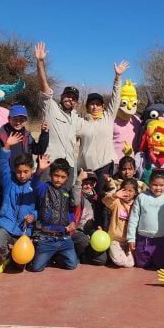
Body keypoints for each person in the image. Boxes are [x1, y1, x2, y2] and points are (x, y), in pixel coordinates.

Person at [75, 61, 130, 227]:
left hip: (104, 165)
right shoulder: (81, 122)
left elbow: (116, 97)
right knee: (83, 199)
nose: (94, 106)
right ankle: (83, 228)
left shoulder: (108, 117)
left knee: (103, 199)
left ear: (102, 106)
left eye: (98, 104)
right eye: (91, 104)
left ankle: (103, 228)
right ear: (87, 107)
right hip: (86, 168)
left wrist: (118, 77)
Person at [0, 133, 47, 273]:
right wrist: (7, 146)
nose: (22, 175)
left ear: (31, 171)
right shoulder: (8, 181)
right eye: (18, 172)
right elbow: (1, 165)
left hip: (24, 228)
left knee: (20, 266)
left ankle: (14, 259)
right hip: (7, 223)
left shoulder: (35, 185)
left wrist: (33, 216)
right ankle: (6, 258)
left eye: (26, 172)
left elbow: (39, 207)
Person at [36, 41, 82, 188]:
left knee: (65, 201)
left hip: (68, 166)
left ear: (77, 102)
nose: (70, 99)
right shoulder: (51, 107)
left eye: (74, 98)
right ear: (61, 96)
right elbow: (44, 86)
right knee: (43, 200)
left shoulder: (76, 118)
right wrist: (40, 62)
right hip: (49, 164)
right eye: (67, 96)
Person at [31, 158, 79, 272]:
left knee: (72, 264)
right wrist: (39, 170)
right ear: (51, 174)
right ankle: (48, 254)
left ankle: (56, 256)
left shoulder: (66, 191)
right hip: (46, 238)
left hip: (64, 238)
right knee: (36, 268)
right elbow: (34, 185)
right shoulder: (44, 188)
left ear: (67, 177)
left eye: (63, 177)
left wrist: (72, 221)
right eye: (56, 175)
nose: (59, 179)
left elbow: (69, 211)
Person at [125, 171, 164, 270]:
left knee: (162, 265)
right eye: (155, 185)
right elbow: (133, 218)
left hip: (162, 239)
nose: (158, 188)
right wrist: (131, 238)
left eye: (161, 185)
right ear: (149, 183)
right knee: (141, 265)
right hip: (143, 239)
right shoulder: (141, 197)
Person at [71, 169, 108, 266]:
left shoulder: (96, 198)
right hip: (76, 230)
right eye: (85, 183)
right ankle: (75, 254)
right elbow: (75, 201)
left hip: (91, 231)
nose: (88, 186)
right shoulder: (76, 193)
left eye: (91, 183)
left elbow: (101, 214)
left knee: (102, 260)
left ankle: (84, 256)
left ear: (95, 184)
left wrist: (99, 226)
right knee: (84, 241)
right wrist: (78, 181)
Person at [102, 177, 139, 267]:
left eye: (130, 191)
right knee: (121, 262)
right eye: (124, 190)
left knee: (131, 263)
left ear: (135, 193)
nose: (127, 193)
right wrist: (115, 195)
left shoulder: (137, 204)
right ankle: (110, 254)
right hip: (115, 240)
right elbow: (105, 200)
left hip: (129, 241)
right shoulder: (117, 202)